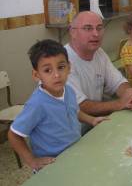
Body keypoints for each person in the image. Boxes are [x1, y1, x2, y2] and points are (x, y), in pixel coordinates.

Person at [8, 40, 108, 171]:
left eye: (61, 67)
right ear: (36, 75)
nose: (56, 75)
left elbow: (74, 111)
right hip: (53, 165)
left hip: (74, 153)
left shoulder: (69, 90)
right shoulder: (37, 104)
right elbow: (14, 135)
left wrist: (92, 120)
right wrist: (32, 161)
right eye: (47, 70)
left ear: (69, 67)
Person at [66, 11, 132, 117]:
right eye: (88, 28)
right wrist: (119, 104)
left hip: (95, 123)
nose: (96, 34)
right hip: (75, 131)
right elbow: (80, 105)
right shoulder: (62, 62)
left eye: (99, 28)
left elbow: (118, 83)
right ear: (72, 32)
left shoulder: (99, 53)